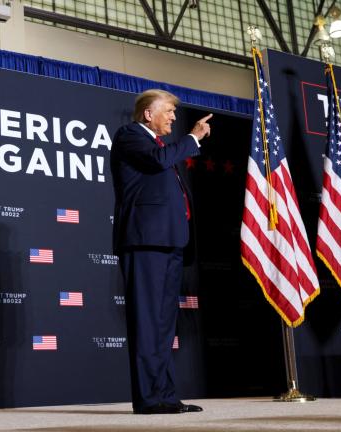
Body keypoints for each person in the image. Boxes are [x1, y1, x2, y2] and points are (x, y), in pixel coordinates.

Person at [111, 89, 212, 414]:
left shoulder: (157, 145)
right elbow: (158, 162)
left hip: (169, 242)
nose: (172, 117)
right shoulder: (130, 136)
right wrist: (193, 139)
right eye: (167, 111)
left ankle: (166, 396)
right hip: (145, 242)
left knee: (164, 326)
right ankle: (149, 399)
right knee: (147, 323)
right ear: (147, 114)